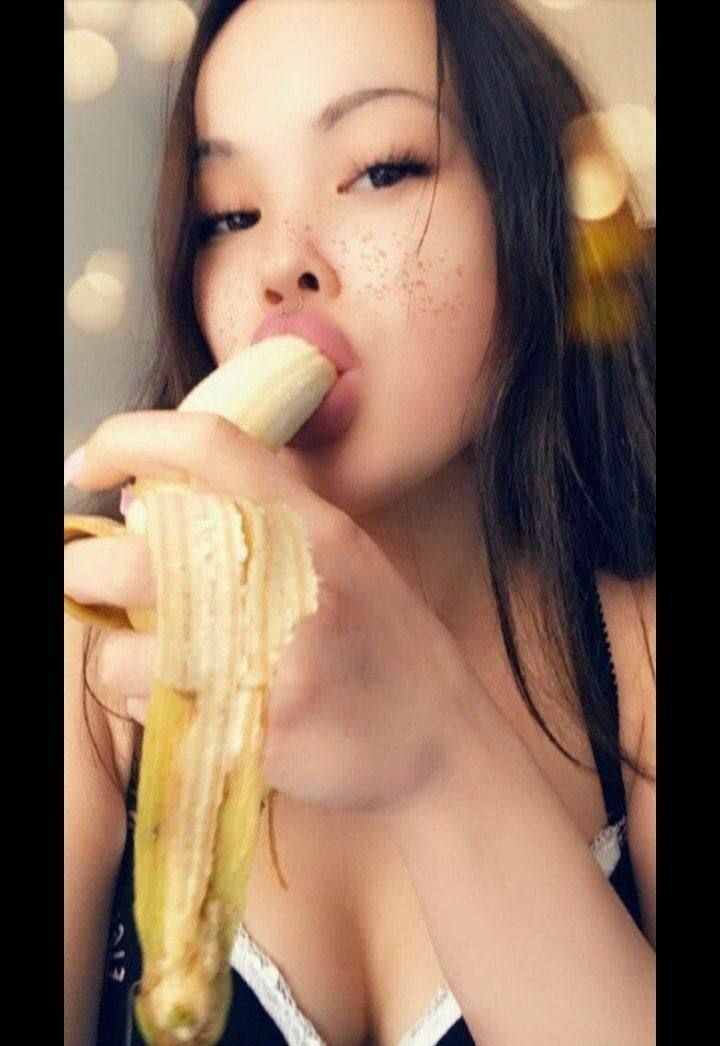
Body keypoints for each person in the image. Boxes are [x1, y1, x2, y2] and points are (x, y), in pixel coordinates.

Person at [64, 0, 656, 1043]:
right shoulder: (97, 669)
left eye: (382, 170)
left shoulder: (640, 664)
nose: (280, 264)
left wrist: (434, 752)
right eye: (228, 214)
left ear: (536, 222)